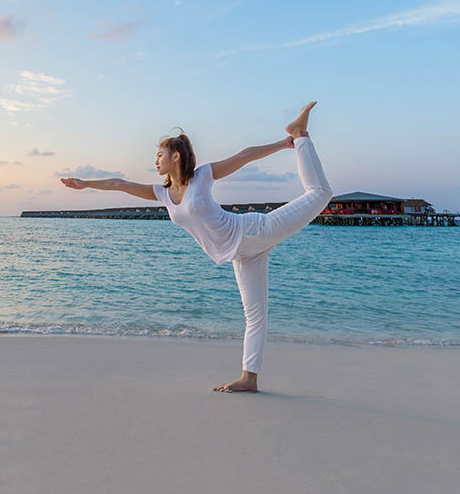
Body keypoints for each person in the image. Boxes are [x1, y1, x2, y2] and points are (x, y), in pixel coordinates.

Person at [60, 101, 332, 393]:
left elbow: (244, 156)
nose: (155, 160)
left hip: (253, 230)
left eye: (160, 154)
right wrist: (84, 184)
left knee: (321, 194)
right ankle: (249, 379)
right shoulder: (162, 193)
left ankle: (300, 135)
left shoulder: (202, 176)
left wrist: (284, 143)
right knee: (255, 316)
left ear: (176, 156)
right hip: (241, 254)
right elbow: (119, 183)